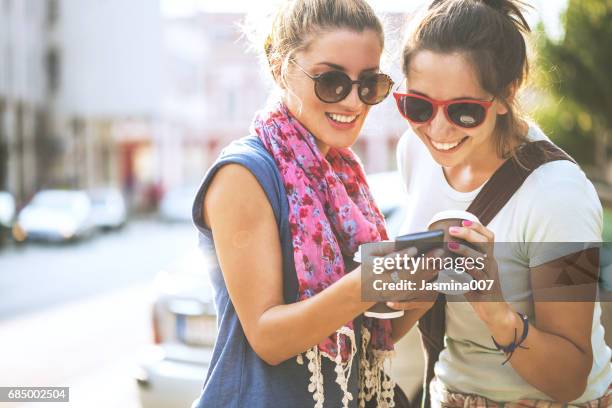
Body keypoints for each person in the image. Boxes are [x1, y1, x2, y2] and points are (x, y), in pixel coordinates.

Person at [388, 0, 612, 406]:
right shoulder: (414, 151)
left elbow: (571, 377)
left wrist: (495, 310)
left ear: (506, 95)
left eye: (465, 111)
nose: (437, 130)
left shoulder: (562, 195)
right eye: (417, 105)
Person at [190, 1, 407, 407]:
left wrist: (423, 280)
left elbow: (368, 332)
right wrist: (366, 284)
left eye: (369, 85)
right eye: (331, 82)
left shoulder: (343, 177)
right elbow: (268, 338)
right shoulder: (244, 174)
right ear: (279, 67)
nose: (353, 103)